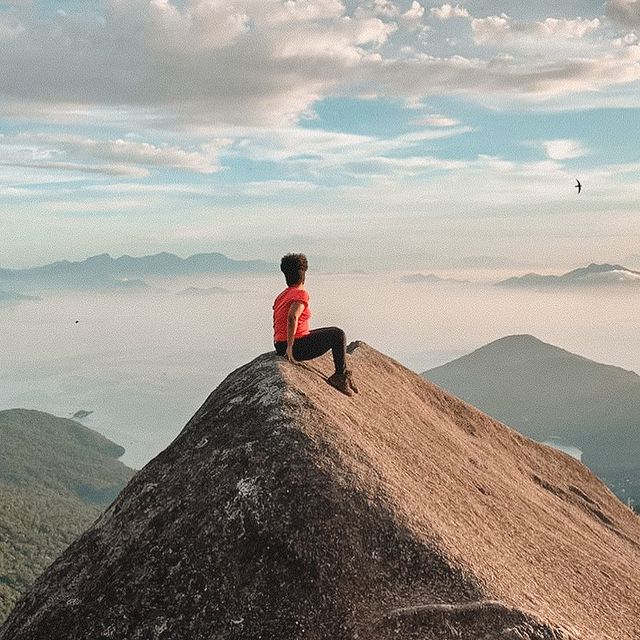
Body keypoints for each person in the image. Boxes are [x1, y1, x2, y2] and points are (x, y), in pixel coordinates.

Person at [273, 253, 358, 396]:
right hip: (294, 346)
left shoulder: (281, 295)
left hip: (279, 344)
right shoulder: (301, 294)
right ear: (303, 275)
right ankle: (340, 376)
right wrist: (290, 347)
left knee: (330, 332)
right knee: (338, 334)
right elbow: (292, 317)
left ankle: (342, 374)